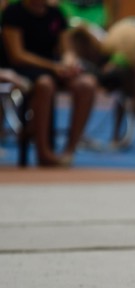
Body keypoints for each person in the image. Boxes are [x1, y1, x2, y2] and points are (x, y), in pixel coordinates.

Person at [1, 0, 97, 167]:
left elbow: (67, 49)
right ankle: (43, 152)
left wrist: (69, 62)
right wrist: (53, 66)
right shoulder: (13, 13)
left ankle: (69, 150)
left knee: (87, 84)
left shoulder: (56, 13)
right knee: (45, 85)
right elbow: (17, 55)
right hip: (24, 68)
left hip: (53, 67)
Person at [69, 16, 135, 152]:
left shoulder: (114, 51)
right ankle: (115, 136)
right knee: (122, 91)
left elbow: (123, 74)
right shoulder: (102, 48)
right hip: (127, 33)